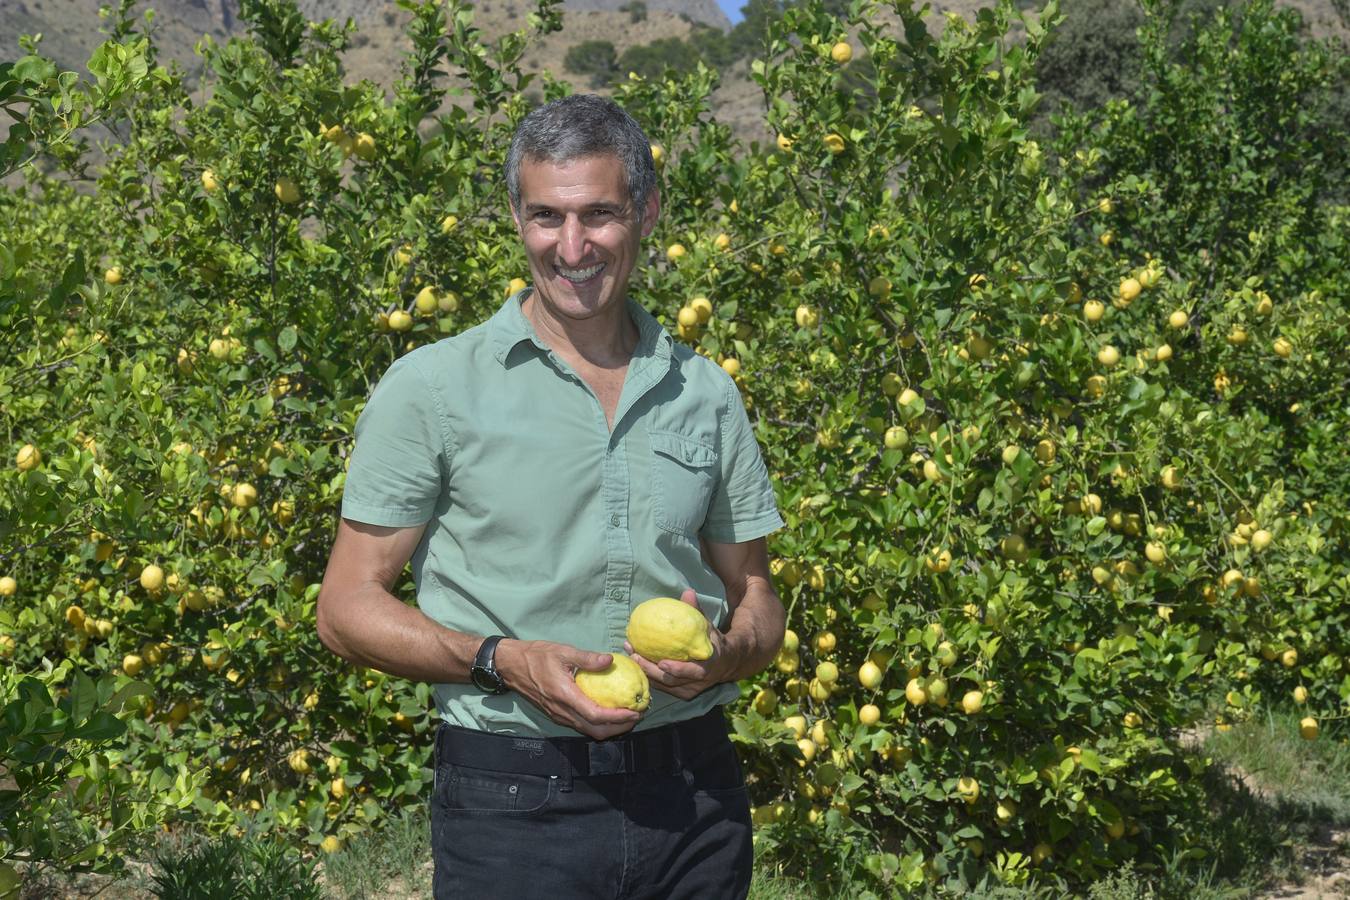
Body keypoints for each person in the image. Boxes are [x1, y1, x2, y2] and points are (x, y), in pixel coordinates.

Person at [316, 93, 786, 899]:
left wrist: (723, 658)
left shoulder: (704, 392)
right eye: (546, 217)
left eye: (598, 214)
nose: (572, 247)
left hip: (695, 795)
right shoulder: (432, 387)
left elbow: (758, 597)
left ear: (646, 210)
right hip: (512, 802)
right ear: (515, 216)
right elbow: (345, 608)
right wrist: (504, 662)